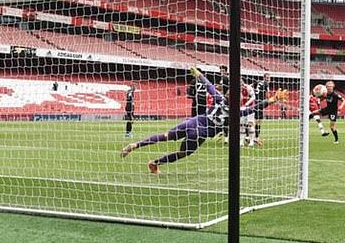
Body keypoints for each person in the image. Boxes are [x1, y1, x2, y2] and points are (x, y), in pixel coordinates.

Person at [121, 67, 287, 173]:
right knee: (184, 152)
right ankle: (155, 163)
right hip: (200, 133)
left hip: (193, 122)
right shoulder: (236, 112)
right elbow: (255, 108)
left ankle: (135, 145)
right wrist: (272, 100)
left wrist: (198, 74)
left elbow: (209, 85)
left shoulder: (219, 99)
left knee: (165, 136)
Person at [253, 73, 270, 142]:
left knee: (254, 120)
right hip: (260, 103)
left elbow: (250, 86)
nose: (268, 79)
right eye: (267, 78)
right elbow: (268, 95)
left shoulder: (258, 82)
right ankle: (256, 137)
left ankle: (249, 136)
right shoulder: (266, 84)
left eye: (269, 78)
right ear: (264, 78)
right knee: (259, 121)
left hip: (254, 102)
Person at [241, 78, 257, 146]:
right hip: (241, 108)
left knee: (250, 124)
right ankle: (241, 141)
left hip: (250, 108)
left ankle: (251, 141)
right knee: (241, 125)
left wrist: (247, 103)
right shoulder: (234, 88)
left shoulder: (248, 87)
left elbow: (253, 97)